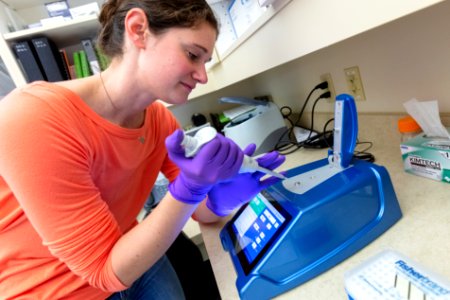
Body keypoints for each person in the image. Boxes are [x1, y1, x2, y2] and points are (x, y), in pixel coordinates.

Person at [0, 0, 285, 299]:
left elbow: (199, 210)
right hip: (56, 289)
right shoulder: (33, 117)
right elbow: (103, 271)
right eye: (192, 55)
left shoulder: (159, 120)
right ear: (138, 30)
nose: (202, 75)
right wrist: (192, 186)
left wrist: (225, 196)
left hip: (133, 256)